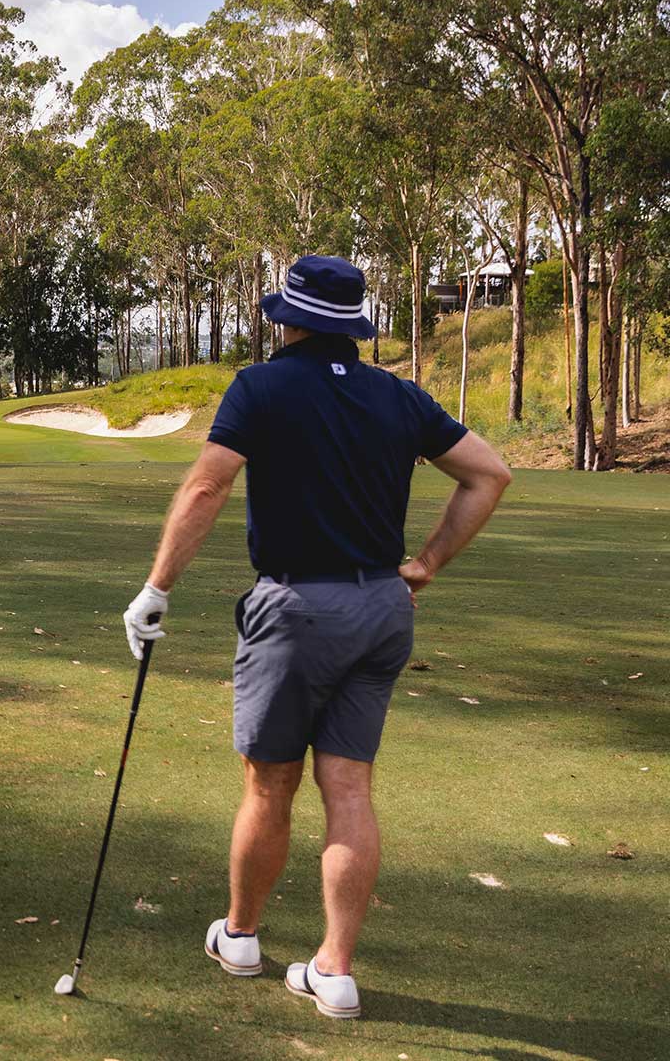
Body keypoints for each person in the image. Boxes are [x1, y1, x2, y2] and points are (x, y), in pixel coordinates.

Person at [120, 255, 511, 1018]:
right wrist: (425, 563)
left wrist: (156, 587)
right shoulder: (400, 395)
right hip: (382, 609)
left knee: (270, 784)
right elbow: (488, 473)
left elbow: (207, 484)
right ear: (353, 327)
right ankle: (334, 971)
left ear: (288, 321)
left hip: (297, 610)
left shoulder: (261, 387)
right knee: (350, 788)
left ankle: (240, 937)